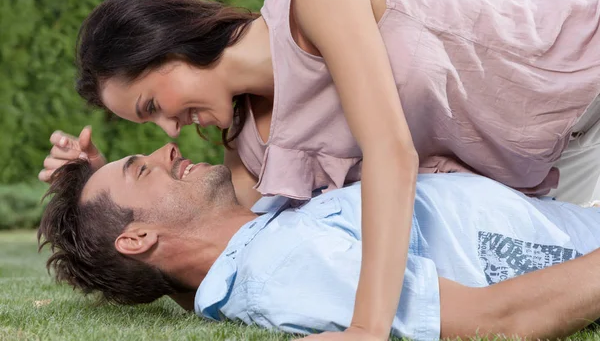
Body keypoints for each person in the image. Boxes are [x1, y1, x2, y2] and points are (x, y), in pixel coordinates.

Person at [38, 0, 600, 340]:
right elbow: (210, 255)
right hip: (548, 167)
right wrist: (93, 193)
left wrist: (367, 326)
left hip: (575, 75)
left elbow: (391, 153)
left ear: (166, 46)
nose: (167, 131)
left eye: (151, 106)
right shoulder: (253, 151)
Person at [39, 143, 600, 340]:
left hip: (562, 202)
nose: (167, 150)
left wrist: (91, 183)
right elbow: (499, 319)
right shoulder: (286, 270)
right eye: (142, 169)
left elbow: (180, 277)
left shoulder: (244, 245)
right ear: (137, 237)